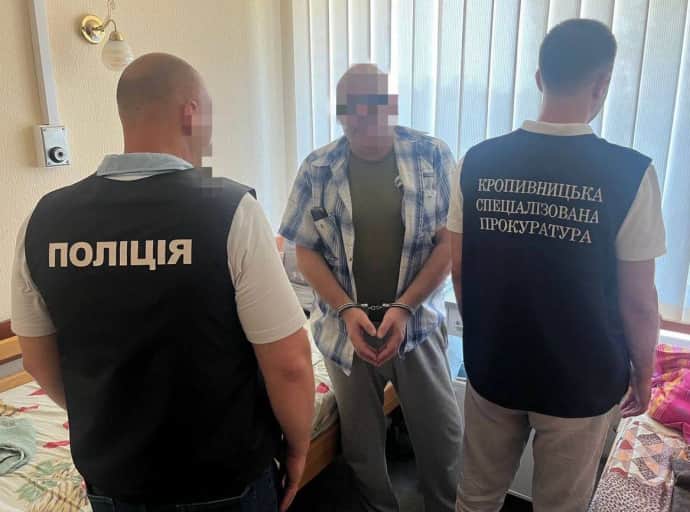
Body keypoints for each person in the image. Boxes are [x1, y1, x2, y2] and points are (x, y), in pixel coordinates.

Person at [11, 53, 314, 512]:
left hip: (116, 480)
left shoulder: (43, 219)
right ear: (190, 113)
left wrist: (107, 417)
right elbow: (290, 361)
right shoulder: (229, 208)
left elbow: (36, 359)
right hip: (224, 477)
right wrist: (298, 447)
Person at [449, 19, 665, 512]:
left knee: (476, 496)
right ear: (602, 84)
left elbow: (460, 269)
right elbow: (638, 299)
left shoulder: (476, 161)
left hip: (494, 364)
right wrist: (644, 371)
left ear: (539, 77)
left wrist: (485, 333)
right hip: (581, 378)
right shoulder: (631, 173)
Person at [280, 63, 462, 512]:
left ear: (392, 104)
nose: (360, 115)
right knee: (361, 448)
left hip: (416, 327)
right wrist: (346, 309)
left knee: (442, 439)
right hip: (344, 330)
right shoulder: (318, 168)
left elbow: (449, 245)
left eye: (372, 103)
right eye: (349, 106)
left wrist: (404, 307)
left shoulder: (432, 155)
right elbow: (305, 250)